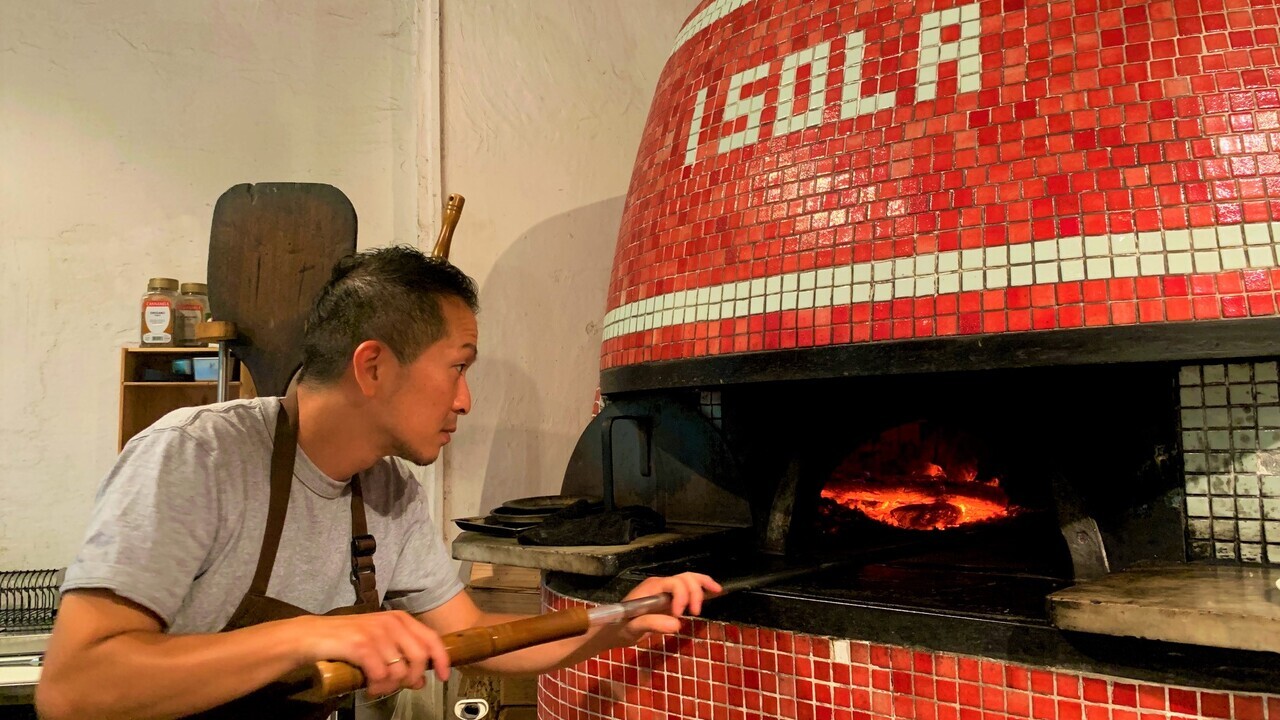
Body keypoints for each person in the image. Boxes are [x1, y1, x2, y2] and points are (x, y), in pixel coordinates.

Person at [36, 245, 720, 720]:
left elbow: (476, 633)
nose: (465, 401)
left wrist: (619, 620)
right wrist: (304, 638)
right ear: (373, 367)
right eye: (458, 367)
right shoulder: (196, 458)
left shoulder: (388, 492)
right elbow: (75, 690)